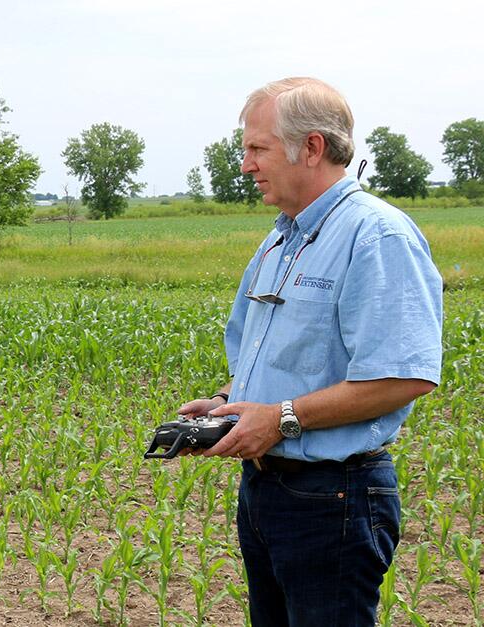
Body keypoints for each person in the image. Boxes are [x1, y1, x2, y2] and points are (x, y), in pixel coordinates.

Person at [176, 77, 443, 626]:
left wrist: (280, 419)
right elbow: (284, 357)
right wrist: (228, 402)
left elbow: (404, 376)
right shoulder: (280, 239)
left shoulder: (377, 236)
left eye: (257, 148)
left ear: (312, 147)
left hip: (334, 497)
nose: (246, 164)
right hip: (265, 491)